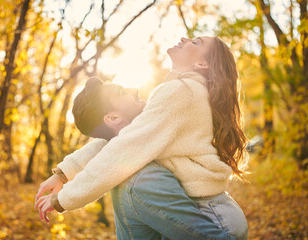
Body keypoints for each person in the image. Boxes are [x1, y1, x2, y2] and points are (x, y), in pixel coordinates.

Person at [35, 36, 249, 239]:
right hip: (212, 211)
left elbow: (123, 147)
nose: (185, 39)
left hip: (210, 218)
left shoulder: (180, 92)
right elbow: (120, 142)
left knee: (130, 179)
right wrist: (64, 175)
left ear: (202, 64)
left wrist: (64, 198)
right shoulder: (182, 91)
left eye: (196, 42)